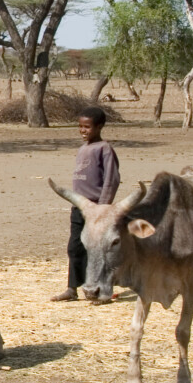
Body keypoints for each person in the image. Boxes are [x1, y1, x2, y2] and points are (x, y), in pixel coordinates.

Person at [51, 106, 120, 302]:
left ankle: (103, 289)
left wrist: (103, 208)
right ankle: (72, 288)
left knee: (98, 249)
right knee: (75, 247)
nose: (83, 130)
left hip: (97, 208)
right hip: (79, 207)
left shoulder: (104, 149)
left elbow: (111, 179)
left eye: (87, 127)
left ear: (99, 127)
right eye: (80, 126)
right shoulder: (83, 149)